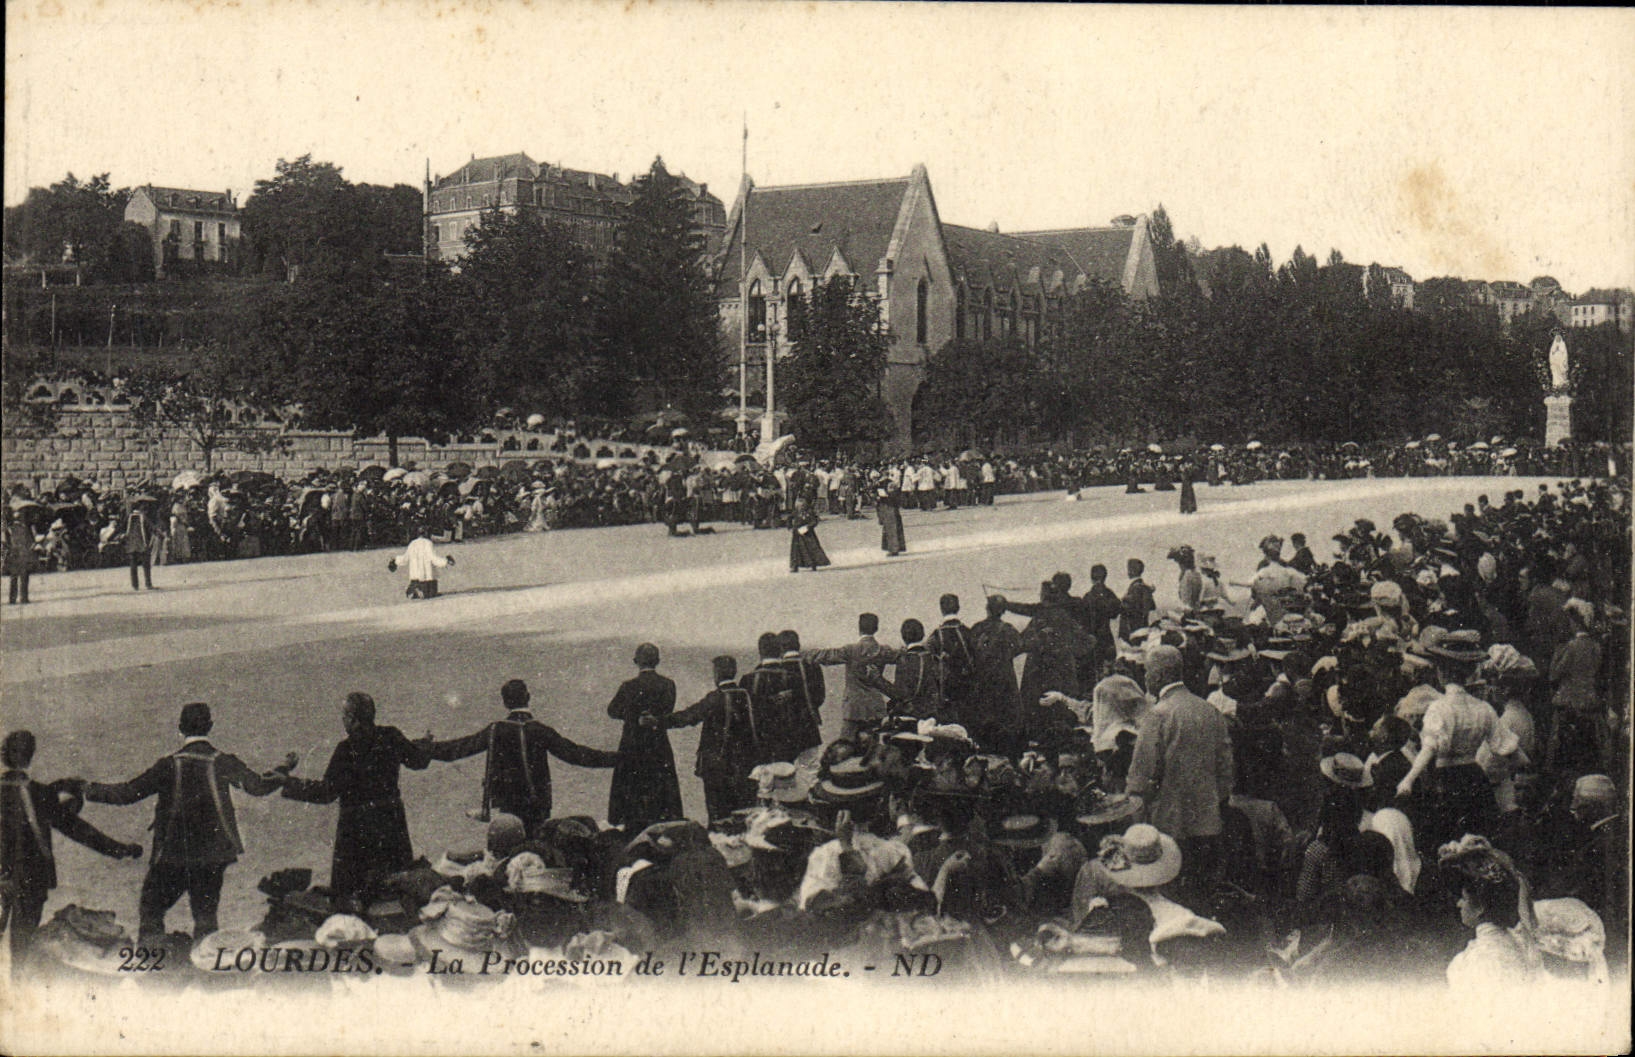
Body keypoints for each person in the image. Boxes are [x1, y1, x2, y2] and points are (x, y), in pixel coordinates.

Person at [78, 703, 290, 944]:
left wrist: (88, 790)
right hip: (213, 856)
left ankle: (151, 967)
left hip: (172, 856)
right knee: (206, 917)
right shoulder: (223, 762)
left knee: (151, 911)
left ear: (180, 728)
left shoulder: (168, 765)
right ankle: (206, 968)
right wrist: (285, 768)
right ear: (210, 727)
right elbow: (259, 786)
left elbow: (128, 793)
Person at [2, 730, 142, 973]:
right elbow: (78, 830)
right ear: (30, 756)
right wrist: (121, 850)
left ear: (3, 755)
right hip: (31, 880)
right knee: (21, 951)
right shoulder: (41, 794)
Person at [279, 693, 434, 901]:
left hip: (357, 831)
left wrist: (287, 782)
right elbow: (418, 760)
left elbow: (326, 793)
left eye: (344, 715)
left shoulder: (346, 749)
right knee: (395, 888)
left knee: (352, 894)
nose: (343, 720)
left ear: (352, 718)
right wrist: (425, 743)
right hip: (391, 824)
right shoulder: (391, 736)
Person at [427, 679, 620, 836]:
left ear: (505, 702)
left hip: (507, 804)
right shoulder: (540, 730)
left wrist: (427, 748)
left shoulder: (495, 730)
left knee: (512, 841)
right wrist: (618, 759)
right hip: (537, 803)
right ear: (528, 697)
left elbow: (460, 748)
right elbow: (576, 754)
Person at [1125, 646, 1234, 902]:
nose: (1145, 678)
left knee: (1170, 895)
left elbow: (1140, 776)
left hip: (1168, 824)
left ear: (1160, 676)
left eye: (1148, 672)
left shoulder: (1158, 715)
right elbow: (1226, 771)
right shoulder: (1209, 710)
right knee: (1200, 893)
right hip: (1208, 822)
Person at [657, 656, 760, 823]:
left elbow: (688, 717)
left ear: (717, 674)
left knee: (718, 817)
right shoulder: (749, 696)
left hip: (717, 768)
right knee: (744, 815)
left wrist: (658, 721)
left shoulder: (715, 698)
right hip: (746, 765)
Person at [606, 643, 683, 834]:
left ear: (635, 661)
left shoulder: (628, 686)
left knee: (632, 791)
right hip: (659, 744)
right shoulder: (668, 684)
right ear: (657, 661)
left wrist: (632, 717)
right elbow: (668, 710)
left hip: (632, 744)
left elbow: (612, 710)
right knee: (662, 790)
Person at [804, 613, 898, 741]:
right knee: (871, 746)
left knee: (846, 744)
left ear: (859, 629)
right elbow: (902, 655)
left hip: (854, 707)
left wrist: (804, 653)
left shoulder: (850, 650)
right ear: (876, 628)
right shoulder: (884, 650)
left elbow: (826, 656)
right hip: (875, 706)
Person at [927, 594, 977, 724]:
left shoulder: (936, 636)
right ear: (958, 607)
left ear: (941, 609)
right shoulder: (969, 632)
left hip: (946, 690)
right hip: (969, 688)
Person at [389, 525, 455, 599]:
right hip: (427, 578)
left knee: (416, 585)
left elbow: (405, 558)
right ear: (426, 533)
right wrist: (446, 561)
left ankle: (413, 590)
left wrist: (395, 560)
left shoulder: (412, 544)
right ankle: (421, 592)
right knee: (432, 593)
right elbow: (434, 558)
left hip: (415, 577)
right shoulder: (428, 543)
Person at [788, 494, 830, 573]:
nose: (801, 507)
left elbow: (814, 521)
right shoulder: (796, 512)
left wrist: (808, 527)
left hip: (808, 535)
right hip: (797, 535)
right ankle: (794, 566)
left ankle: (812, 564)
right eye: (799, 506)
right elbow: (789, 519)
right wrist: (790, 527)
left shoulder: (810, 512)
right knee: (796, 552)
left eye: (802, 505)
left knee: (811, 549)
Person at [125, 495, 159, 591]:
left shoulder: (129, 517)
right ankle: (148, 584)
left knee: (133, 566)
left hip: (131, 545)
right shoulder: (143, 517)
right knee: (146, 565)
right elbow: (151, 527)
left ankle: (135, 585)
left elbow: (121, 527)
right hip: (142, 544)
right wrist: (160, 534)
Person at [5, 510, 37, 605]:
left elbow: (6, 543)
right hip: (24, 554)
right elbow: (32, 542)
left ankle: (12, 599)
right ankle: (24, 598)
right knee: (24, 577)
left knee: (13, 577)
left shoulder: (9, 529)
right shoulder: (25, 528)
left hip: (13, 554)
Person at [1119, 559, 1155, 642]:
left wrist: (1122, 601)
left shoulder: (1134, 588)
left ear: (1131, 571)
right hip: (1143, 628)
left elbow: (1126, 609)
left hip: (1132, 630)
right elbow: (1152, 606)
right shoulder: (1145, 588)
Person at [875, 472, 906, 557]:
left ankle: (893, 549)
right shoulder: (889, 482)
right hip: (891, 506)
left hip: (888, 506)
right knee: (892, 527)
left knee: (890, 528)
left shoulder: (885, 483)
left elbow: (888, 496)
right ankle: (895, 547)